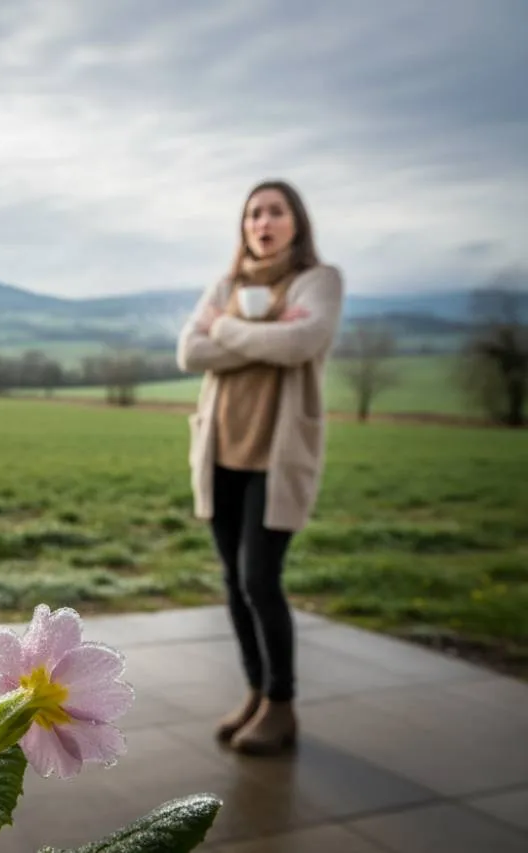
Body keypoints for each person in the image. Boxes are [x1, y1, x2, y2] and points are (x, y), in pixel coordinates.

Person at [175, 179, 345, 755]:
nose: (262, 222)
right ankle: (254, 691)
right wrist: (267, 333)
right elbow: (188, 352)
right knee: (232, 580)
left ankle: (282, 703)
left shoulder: (319, 281)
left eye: (274, 212)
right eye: (253, 214)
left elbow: (304, 341)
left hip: (277, 457)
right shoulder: (226, 283)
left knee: (259, 580)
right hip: (221, 450)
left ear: (296, 221)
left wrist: (224, 327)